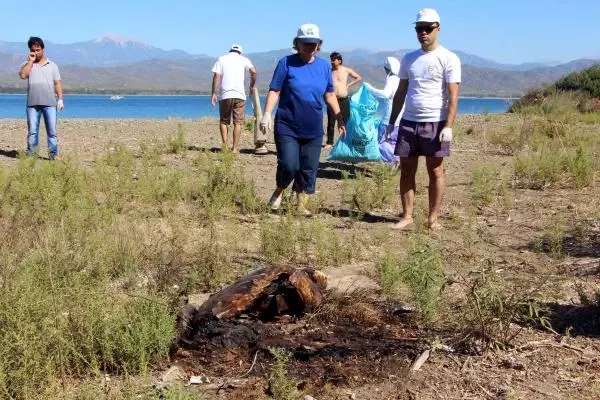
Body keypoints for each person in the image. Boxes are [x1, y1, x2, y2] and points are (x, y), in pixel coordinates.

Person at [260, 23, 346, 216]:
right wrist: (267, 114)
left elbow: (330, 94)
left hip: (313, 127)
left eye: (313, 43)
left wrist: (340, 117)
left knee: (308, 169)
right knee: (289, 165)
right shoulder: (286, 62)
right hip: (287, 125)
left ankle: (300, 206)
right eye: (305, 43)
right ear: (297, 43)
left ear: (319, 45)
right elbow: (275, 90)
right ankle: (280, 189)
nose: (309, 46)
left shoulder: (324, 66)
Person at [387, 8, 461, 231]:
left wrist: (448, 126)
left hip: (435, 122)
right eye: (419, 28)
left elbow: (453, 95)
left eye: (428, 28)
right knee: (407, 169)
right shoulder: (409, 58)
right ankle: (407, 216)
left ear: (438, 28)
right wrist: (392, 122)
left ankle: (433, 219)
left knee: (435, 170)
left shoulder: (449, 58)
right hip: (409, 122)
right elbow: (401, 92)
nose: (423, 33)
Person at [18, 36, 63, 160]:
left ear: (43, 49)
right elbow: (23, 75)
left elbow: (57, 83)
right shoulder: (27, 64)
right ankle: (32, 155)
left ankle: (53, 155)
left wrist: (60, 99)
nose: (36, 52)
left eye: (38, 49)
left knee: (52, 132)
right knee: (32, 131)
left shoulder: (52, 65)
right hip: (32, 104)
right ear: (30, 51)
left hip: (50, 103)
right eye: (33, 50)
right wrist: (30, 62)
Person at [211, 44, 257, 153]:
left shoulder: (222, 59)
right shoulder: (244, 59)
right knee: (238, 123)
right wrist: (251, 86)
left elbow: (217, 75)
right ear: (240, 52)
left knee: (224, 121)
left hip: (225, 95)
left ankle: (225, 146)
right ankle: (235, 149)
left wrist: (214, 93)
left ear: (230, 50)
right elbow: (254, 72)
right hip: (240, 95)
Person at [363, 56, 402, 164]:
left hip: (388, 118)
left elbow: (385, 95)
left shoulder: (391, 79)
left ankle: (391, 163)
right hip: (399, 119)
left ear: (387, 68)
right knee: (394, 142)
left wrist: (369, 88)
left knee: (383, 142)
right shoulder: (400, 80)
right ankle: (397, 160)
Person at [325, 52, 361, 150]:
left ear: (339, 60)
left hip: (344, 99)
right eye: (331, 59)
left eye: (334, 59)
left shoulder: (346, 70)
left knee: (346, 121)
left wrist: (349, 85)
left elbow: (358, 77)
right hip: (333, 100)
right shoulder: (329, 71)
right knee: (331, 122)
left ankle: (346, 141)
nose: (332, 61)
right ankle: (329, 142)